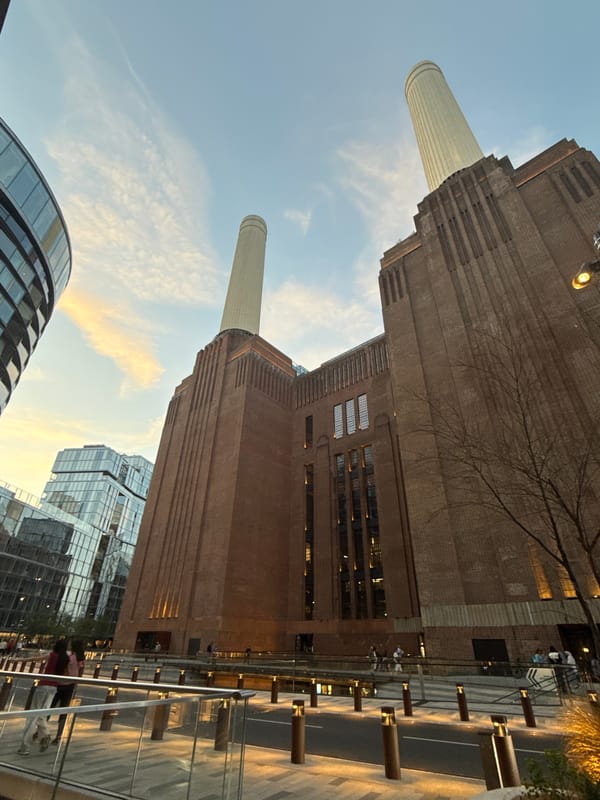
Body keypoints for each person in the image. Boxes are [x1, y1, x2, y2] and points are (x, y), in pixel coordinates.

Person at [17, 640, 70, 755]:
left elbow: (34, 659)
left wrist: (18, 660)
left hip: (43, 685)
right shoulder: (66, 659)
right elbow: (67, 674)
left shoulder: (51, 655)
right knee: (41, 714)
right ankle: (45, 735)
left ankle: (25, 746)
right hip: (53, 688)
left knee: (32, 716)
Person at [50, 640, 85, 744]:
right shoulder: (81, 658)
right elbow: (80, 671)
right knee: (64, 710)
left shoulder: (68, 657)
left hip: (60, 684)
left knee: (51, 706)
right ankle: (59, 736)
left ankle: (41, 731)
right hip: (71, 685)